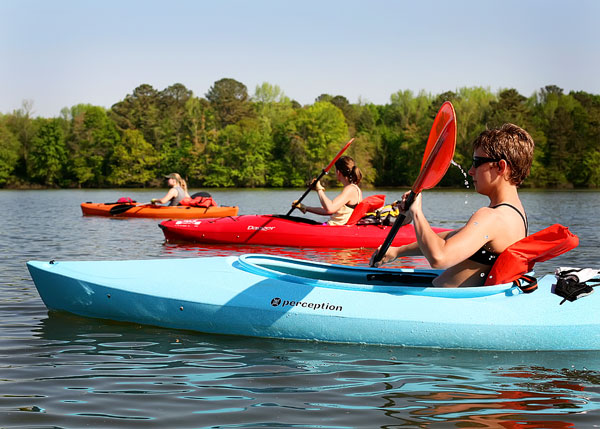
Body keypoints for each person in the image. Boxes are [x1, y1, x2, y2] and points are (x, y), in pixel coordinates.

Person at [370, 123, 535, 287]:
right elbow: (450, 237)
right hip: (452, 302)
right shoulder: (516, 214)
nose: (471, 171)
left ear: (501, 167)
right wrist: (398, 251)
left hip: (442, 306)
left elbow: (439, 258)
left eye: (477, 162)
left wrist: (417, 213)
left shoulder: (491, 217)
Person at [292, 156, 363, 225]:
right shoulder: (355, 189)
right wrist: (305, 208)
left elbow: (330, 208)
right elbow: (329, 209)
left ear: (338, 172)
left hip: (334, 229)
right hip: (333, 228)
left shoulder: (350, 189)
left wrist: (319, 189)